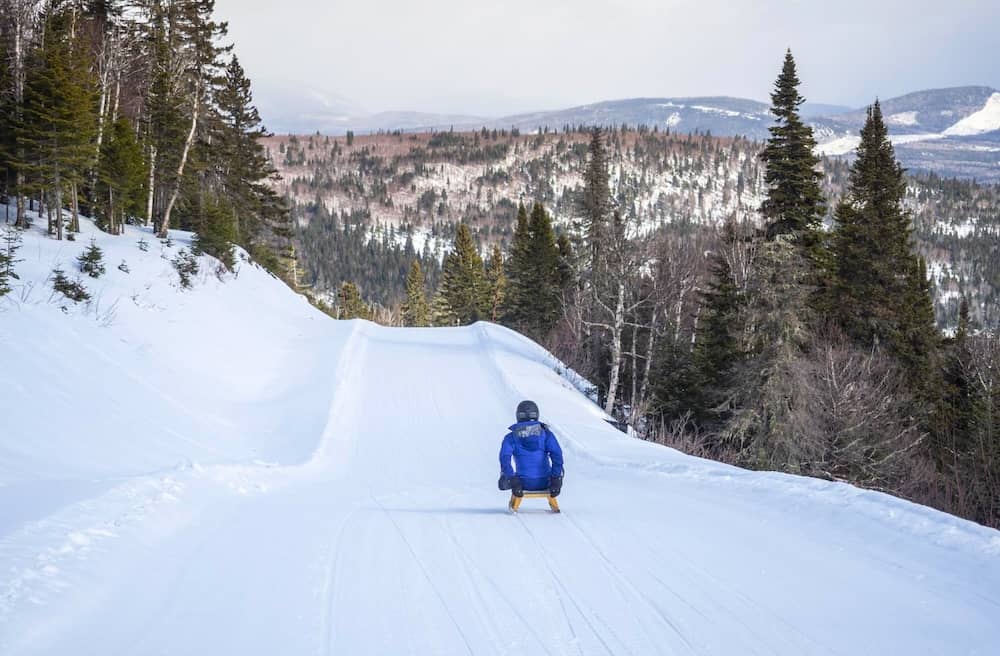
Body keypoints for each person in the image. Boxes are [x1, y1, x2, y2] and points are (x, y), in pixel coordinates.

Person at [498, 400, 564, 498]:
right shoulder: (546, 434)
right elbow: (557, 455)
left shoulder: (510, 437)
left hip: (521, 484)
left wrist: (512, 479)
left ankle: (510, 479)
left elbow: (504, 458)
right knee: (559, 465)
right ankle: (556, 481)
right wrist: (556, 479)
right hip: (546, 482)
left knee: (504, 467)